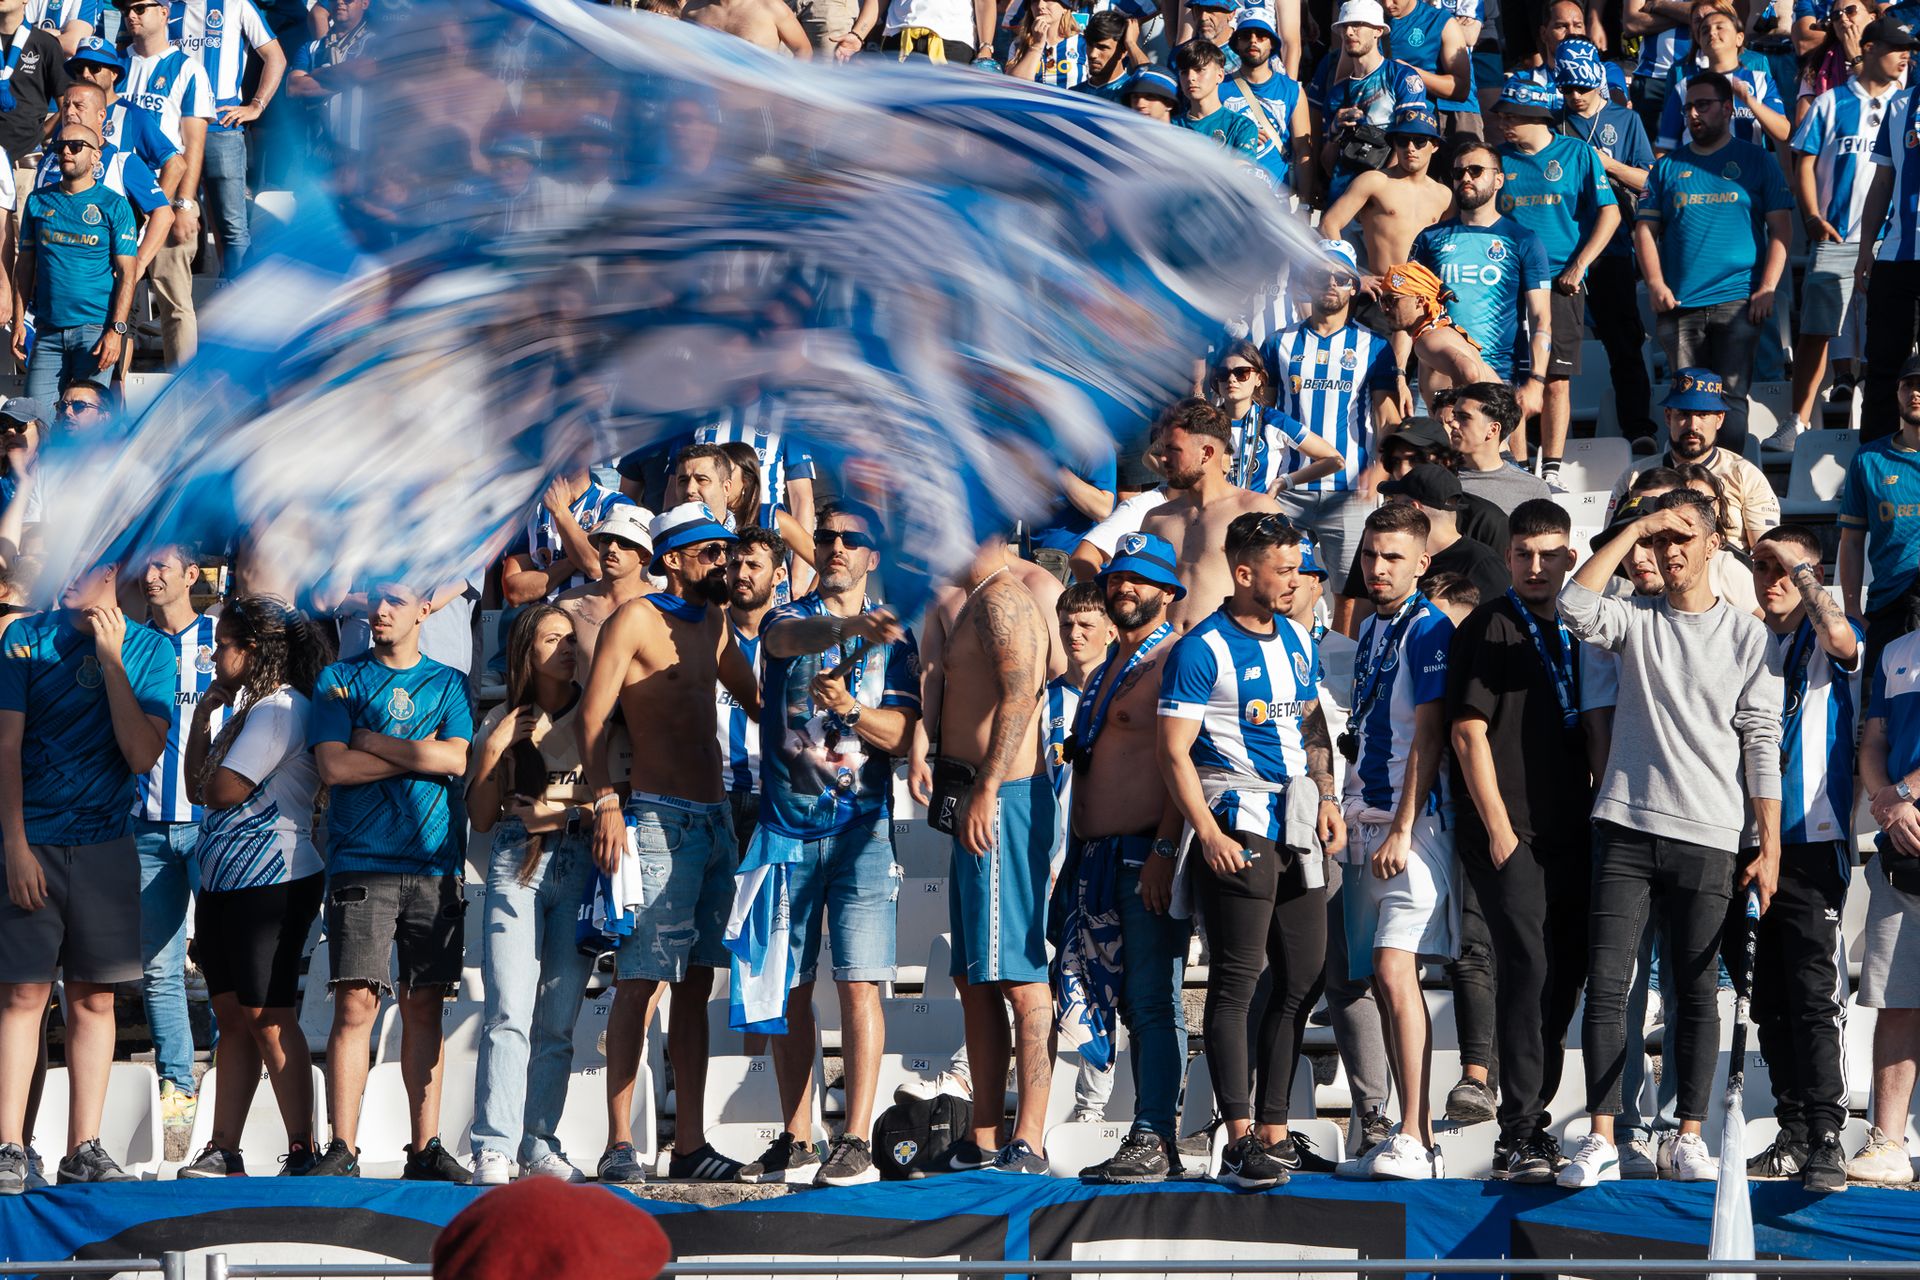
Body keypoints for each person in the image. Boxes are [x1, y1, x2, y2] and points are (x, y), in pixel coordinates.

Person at [1555, 490, 1782, 1187]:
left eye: (1685, 536)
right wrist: (1637, 528)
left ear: (1716, 545)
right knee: (1608, 985)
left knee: (1694, 991)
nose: (1671, 550)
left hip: (1710, 835)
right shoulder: (1634, 618)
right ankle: (1602, 1134)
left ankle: (1686, 1134)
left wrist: (1767, 844)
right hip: (1625, 823)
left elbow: (1762, 741)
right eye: (1662, 541)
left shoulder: (1748, 634)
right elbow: (1573, 606)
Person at [1158, 515, 1345, 1188]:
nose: (1295, 580)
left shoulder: (1298, 637)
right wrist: (1205, 832)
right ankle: (1237, 1138)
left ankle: (1275, 1128)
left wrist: (1326, 796)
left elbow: (1314, 724)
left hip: (1296, 817)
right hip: (1237, 818)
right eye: (1284, 569)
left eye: (1298, 569)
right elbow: (1171, 752)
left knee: (1304, 973)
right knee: (1238, 979)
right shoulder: (1200, 647)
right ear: (1244, 574)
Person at [579, 504, 759, 1185]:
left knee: (697, 985)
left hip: (715, 821)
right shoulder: (635, 619)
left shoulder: (711, 622)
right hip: (654, 817)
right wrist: (604, 802)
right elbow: (593, 718)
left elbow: (756, 697)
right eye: (712, 552)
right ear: (674, 559)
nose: (725, 563)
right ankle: (621, 1142)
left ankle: (689, 1145)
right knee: (640, 981)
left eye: (727, 551)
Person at [743, 500, 917, 1186]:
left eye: (852, 540)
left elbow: (904, 737)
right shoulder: (790, 616)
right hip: (787, 827)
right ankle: (797, 1135)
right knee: (788, 989)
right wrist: (850, 628)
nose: (837, 547)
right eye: (826, 538)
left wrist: (851, 710)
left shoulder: (899, 642)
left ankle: (854, 1138)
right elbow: (786, 645)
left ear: (873, 555)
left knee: (861, 985)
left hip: (862, 829)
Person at [0, 561, 172, 1192]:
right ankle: (9, 1146)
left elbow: (142, 752)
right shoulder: (24, 638)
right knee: (21, 997)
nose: (66, 570)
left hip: (106, 844)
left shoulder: (151, 649)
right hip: (33, 844)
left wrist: (112, 658)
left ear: (113, 570)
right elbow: (5, 747)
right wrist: (14, 846)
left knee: (94, 999)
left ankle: (84, 1148)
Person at [1447, 499, 1598, 1181]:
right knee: (1528, 971)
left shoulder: (1581, 626)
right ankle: (1518, 1132)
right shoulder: (1491, 624)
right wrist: (1501, 830)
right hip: (1511, 835)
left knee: (1563, 980)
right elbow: (1466, 731)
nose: (1536, 567)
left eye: (1549, 554)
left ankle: (1535, 1121)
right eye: (1523, 554)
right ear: (1507, 557)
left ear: (1571, 556)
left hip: (1575, 829)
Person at [306, 582, 476, 1182]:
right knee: (357, 1005)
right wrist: (417, 751)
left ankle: (424, 1148)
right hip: (361, 861)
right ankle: (343, 1149)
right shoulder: (338, 679)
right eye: (374, 599)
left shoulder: (451, 682)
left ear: (426, 609)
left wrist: (374, 742)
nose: (379, 611)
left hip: (434, 863)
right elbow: (333, 767)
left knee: (424, 1005)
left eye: (395, 601)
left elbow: (457, 760)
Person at [174, 597, 333, 1179]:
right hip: (225, 881)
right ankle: (224, 1148)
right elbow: (196, 788)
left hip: (272, 880)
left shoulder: (280, 709)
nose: (216, 654)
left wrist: (215, 753)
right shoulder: (248, 708)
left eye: (224, 644)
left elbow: (224, 791)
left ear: (255, 652)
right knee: (234, 1020)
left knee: (269, 1017)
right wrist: (201, 720)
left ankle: (300, 1149)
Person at [1335, 503, 1457, 1181]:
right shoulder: (1373, 626)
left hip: (1413, 828)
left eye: (1392, 558)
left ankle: (1418, 1135)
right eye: (1370, 556)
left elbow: (1431, 735)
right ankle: (1400, 1135)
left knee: (1392, 970)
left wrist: (1405, 827)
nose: (1377, 569)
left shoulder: (1428, 628)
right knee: (1379, 983)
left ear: (1421, 562)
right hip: (1363, 824)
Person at [926, 534, 1055, 1174]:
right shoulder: (976, 598)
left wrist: (989, 785)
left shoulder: (1004, 598)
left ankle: (1028, 1137)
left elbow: (1021, 694)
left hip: (1001, 798)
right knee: (976, 977)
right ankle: (984, 1137)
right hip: (977, 796)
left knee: (1020, 977)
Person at [462, 606, 603, 1186]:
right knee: (508, 1011)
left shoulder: (599, 713)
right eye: (553, 639)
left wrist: (561, 815)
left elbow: (617, 804)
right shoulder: (501, 717)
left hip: (579, 863)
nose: (567, 648)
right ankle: (492, 1146)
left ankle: (538, 1141)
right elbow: (480, 816)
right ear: (527, 651)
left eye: (572, 639)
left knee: (559, 1021)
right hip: (513, 863)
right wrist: (494, 746)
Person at [1737, 526, 1860, 1193]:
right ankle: (1792, 1130)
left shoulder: (1827, 636)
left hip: (1810, 841)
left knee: (1814, 993)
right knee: (1770, 999)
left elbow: (1844, 638)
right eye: (1760, 566)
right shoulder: (1746, 641)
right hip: (1749, 839)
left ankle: (1828, 1132)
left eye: (1785, 569)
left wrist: (1805, 574)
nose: (1772, 579)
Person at [1063, 539, 1189, 1182]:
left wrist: (1167, 850)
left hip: (1146, 851)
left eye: (1139, 580)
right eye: (1115, 578)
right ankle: (1139, 1131)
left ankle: (1155, 1135)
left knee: (1151, 1001)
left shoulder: (1173, 656)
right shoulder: (1108, 662)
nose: (1122, 589)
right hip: (1093, 856)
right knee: (1114, 998)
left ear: (1168, 591)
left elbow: (1183, 764)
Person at [1635, 71, 1793, 456]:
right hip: (1680, 304)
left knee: (1731, 398)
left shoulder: (1756, 160)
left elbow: (1782, 230)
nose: (1693, 114)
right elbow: (1643, 230)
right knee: (1687, 402)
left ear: (1728, 109)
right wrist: (1655, 283)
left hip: (1739, 299)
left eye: (1702, 105)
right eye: (1689, 106)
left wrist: (1768, 288)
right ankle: (1689, 484)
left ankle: (1730, 482)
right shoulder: (1667, 167)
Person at [131, 544, 225, 1142]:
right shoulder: (133, 644)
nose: (152, 573)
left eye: (165, 564)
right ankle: (178, 1094)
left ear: (193, 575)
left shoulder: (223, 636)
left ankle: (230, 1076)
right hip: (143, 826)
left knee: (222, 964)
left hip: (214, 822)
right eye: (148, 564)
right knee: (160, 969)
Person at [1779, 19, 1908, 453]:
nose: (1905, 55)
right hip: (1836, 236)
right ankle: (1797, 421)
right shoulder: (1831, 102)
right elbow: (1804, 161)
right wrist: (1812, 216)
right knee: (1816, 330)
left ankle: (1896, 428)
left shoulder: (1907, 102)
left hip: (1893, 242)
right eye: (1896, 47)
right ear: (1869, 48)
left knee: (1888, 342)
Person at [1261, 239, 1402, 634]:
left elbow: (1386, 415)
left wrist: (1380, 468)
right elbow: (1263, 413)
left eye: (1341, 278)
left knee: (1351, 591)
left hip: (1349, 488)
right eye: (1323, 276)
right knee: (1276, 578)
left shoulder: (1375, 347)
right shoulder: (1278, 343)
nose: (1331, 284)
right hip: (1286, 486)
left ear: (1354, 286)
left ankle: (1342, 666)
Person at [1492, 72, 1621, 489]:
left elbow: (1611, 212)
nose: (1503, 123)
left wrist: (1580, 264)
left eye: (1511, 115)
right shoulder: (1496, 159)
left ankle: (1551, 469)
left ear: (1536, 117)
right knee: (1511, 376)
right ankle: (1515, 465)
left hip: (1560, 282)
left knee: (1555, 377)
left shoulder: (1576, 154)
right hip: (1505, 281)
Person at [1554, 38, 1657, 452]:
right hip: (1563, 247)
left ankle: (1639, 428)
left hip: (1613, 246)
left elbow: (1650, 181)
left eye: (1581, 86)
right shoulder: (1552, 122)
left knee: (1623, 341)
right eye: (1567, 88)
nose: (1575, 96)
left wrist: (1608, 164)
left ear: (1597, 80)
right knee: (1555, 347)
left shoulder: (1625, 120)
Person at [1851, 616, 1920, 1185]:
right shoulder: (1897, 651)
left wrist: (1903, 793)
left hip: (1904, 814)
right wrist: (1882, 799)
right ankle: (1888, 1141)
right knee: (1897, 1002)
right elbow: (1873, 739)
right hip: (1902, 854)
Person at [1412, 142, 1552, 418]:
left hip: (1497, 377)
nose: (1465, 178)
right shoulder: (1429, 238)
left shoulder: (1523, 239)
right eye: (1458, 172)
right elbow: (1412, 312)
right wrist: (1398, 376)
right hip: (1438, 381)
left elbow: (1541, 318)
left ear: (1499, 179)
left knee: (1507, 461)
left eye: (1475, 171)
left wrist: (1536, 381)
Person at [10, 124, 136, 406]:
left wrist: (116, 331)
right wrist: (19, 320)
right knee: (36, 420)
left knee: (85, 422)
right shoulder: (37, 200)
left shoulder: (114, 205)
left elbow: (129, 273)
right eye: (59, 146)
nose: (65, 151)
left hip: (94, 331)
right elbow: (24, 266)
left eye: (76, 146)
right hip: (48, 331)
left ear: (95, 157)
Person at [119, 0, 213, 368]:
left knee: (175, 303)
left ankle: (184, 392)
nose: (132, 14)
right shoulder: (113, 63)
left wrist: (185, 203)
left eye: (141, 7)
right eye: (126, 8)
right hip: (119, 202)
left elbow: (193, 143)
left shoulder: (188, 69)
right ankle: (108, 394)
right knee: (117, 300)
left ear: (165, 12)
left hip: (168, 197)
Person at [1139, 399, 1282, 633]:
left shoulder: (1256, 510)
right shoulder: (1156, 518)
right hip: (1165, 652)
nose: (1163, 458)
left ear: (1206, 453)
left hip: (1229, 651)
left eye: (1173, 449)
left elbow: (1288, 589)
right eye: (1162, 448)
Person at [170, 0, 287, 277]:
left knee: (231, 225)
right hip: (173, 133)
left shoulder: (235, 4)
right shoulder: (163, 7)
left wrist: (256, 105)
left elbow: (276, 56)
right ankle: (180, 304)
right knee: (173, 219)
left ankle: (235, 294)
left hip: (222, 129)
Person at [1610, 369, 1779, 554]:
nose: (1692, 426)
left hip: (1725, 575)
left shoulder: (1745, 475)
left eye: (1703, 414)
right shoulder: (1637, 474)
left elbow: (1766, 552)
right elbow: (1612, 545)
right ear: (1668, 416)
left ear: (1720, 418)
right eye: (1683, 414)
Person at [35, 81, 176, 281]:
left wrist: (140, 263)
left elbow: (163, 214)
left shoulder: (123, 162)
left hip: (102, 286)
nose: (69, 111)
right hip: (51, 284)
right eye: (66, 105)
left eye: (79, 106)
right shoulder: (51, 157)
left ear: (101, 115)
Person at [1856, 9, 1920, 441]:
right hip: (1897, 256)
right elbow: (1883, 180)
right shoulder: (1900, 104)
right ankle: (1871, 464)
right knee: (1882, 366)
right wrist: (1865, 250)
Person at [1838, 355, 1920, 680]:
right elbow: (1852, 540)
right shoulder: (1868, 459)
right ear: (1897, 393)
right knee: (1879, 719)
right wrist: (1851, 609)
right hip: (1889, 601)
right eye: (1908, 385)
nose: (1915, 393)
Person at [1313, 0, 1430, 204]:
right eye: (1344, 27)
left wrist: (1385, 190)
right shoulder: (1336, 93)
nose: (1349, 32)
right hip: (1343, 199)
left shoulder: (1402, 77)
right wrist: (1334, 131)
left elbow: (1413, 143)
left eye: (1357, 24)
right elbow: (1328, 163)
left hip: (1387, 200)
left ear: (1377, 30)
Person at [1320, 102, 1451, 276]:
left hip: (1424, 296)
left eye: (1420, 141)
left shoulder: (1444, 196)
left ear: (1435, 146)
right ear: (1395, 145)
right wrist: (1351, 276)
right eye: (1403, 141)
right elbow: (1329, 224)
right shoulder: (1374, 181)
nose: (1410, 148)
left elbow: (1451, 251)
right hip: (1382, 293)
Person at [718, 526, 785, 852]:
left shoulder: (795, 641)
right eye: (734, 564)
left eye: (753, 566)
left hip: (772, 800)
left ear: (779, 575)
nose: (741, 573)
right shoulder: (701, 633)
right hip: (712, 798)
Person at [1209, 343, 1345, 497]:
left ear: (1258, 379)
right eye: (1223, 373)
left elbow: (1335, 460)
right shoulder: (1204, 422)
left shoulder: (1273, 421)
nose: (1231, 379)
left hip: (1255, 515)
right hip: (1213, 514)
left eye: (1242, 373)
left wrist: (1284, 482)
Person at [1654, 3, 1790, 153]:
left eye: (1719, 27)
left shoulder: (1760, 81)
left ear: (1739, 38)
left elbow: (1784, 133)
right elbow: (1664, 146)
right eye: (1704, 30)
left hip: (1747, 174)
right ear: (1699, 40)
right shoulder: (1684, 86)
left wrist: (1749, 100)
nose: (1712, 33)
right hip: (1697, 173)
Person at [502, 466, 638, 606]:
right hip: (544, 622)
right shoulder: (530, 512)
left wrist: (560, 511)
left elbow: (595, 567)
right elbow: (514, 592)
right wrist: (576, 556)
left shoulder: (616, 505)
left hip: (594, 620)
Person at [1379, 464, 1510, 605]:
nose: (1390, 512)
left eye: (1393, 504)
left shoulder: (1483, 567)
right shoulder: (1402, 558)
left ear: (1413, 509)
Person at [1374, 260, 1500, 405]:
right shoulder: (1448, 334)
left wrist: (1452, 407)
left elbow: (1468, 371)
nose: (1385, 309)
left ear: (1420, 301)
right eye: (1382, 301)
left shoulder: (1428, 340)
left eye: (1391, 301)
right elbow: (1502, 392)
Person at [1220, 16, 1313, 199]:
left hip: (1277, 198)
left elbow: (1303, 150)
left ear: (1272, 44)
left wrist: (1305, 201)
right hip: (1230, 195)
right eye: (1246, 36)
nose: (1253, 40)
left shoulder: (1293, 90)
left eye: (1261, 36)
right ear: (1237, 44)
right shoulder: (1219, 88)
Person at [552, 504, 653, 672]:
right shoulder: (567, 604)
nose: (612, 548)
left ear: (645, 556)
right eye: (606, 539)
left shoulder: (663, 607)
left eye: (625, 542)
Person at [1447, 383, 1550, 513]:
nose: (1453, 423)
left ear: (1493, 429)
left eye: (1464, 417)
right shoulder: (1436, 481)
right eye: (1455, 415)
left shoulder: (1532, 489)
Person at [1381, 0, 1473, 137]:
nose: (1387, 4)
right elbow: (1342, 78)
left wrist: (1409, 73)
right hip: (1375, 125)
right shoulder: (1365, 20)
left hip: (1421, 127)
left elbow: (1461, 89)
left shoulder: (1440, 21)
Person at [832, 0, 994, 66]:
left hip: (952, 44)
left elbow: (985, 3)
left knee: (944, 124)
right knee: (896, 123)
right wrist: (858, 35)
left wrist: (986, 47)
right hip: (898, 40)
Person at [1172, 41, 1260, 159]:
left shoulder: (1241, 126)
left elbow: (1242, 173)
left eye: (1199, 70)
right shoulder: (1170, 126)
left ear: (1220, 75)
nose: (1190, 78)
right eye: (1184, 72)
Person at [683, 0, 814, 56]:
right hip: (708, 102)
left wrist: (787, 89)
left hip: (759, 103)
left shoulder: (772, 7)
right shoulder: (692, 11)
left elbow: (803, 49)